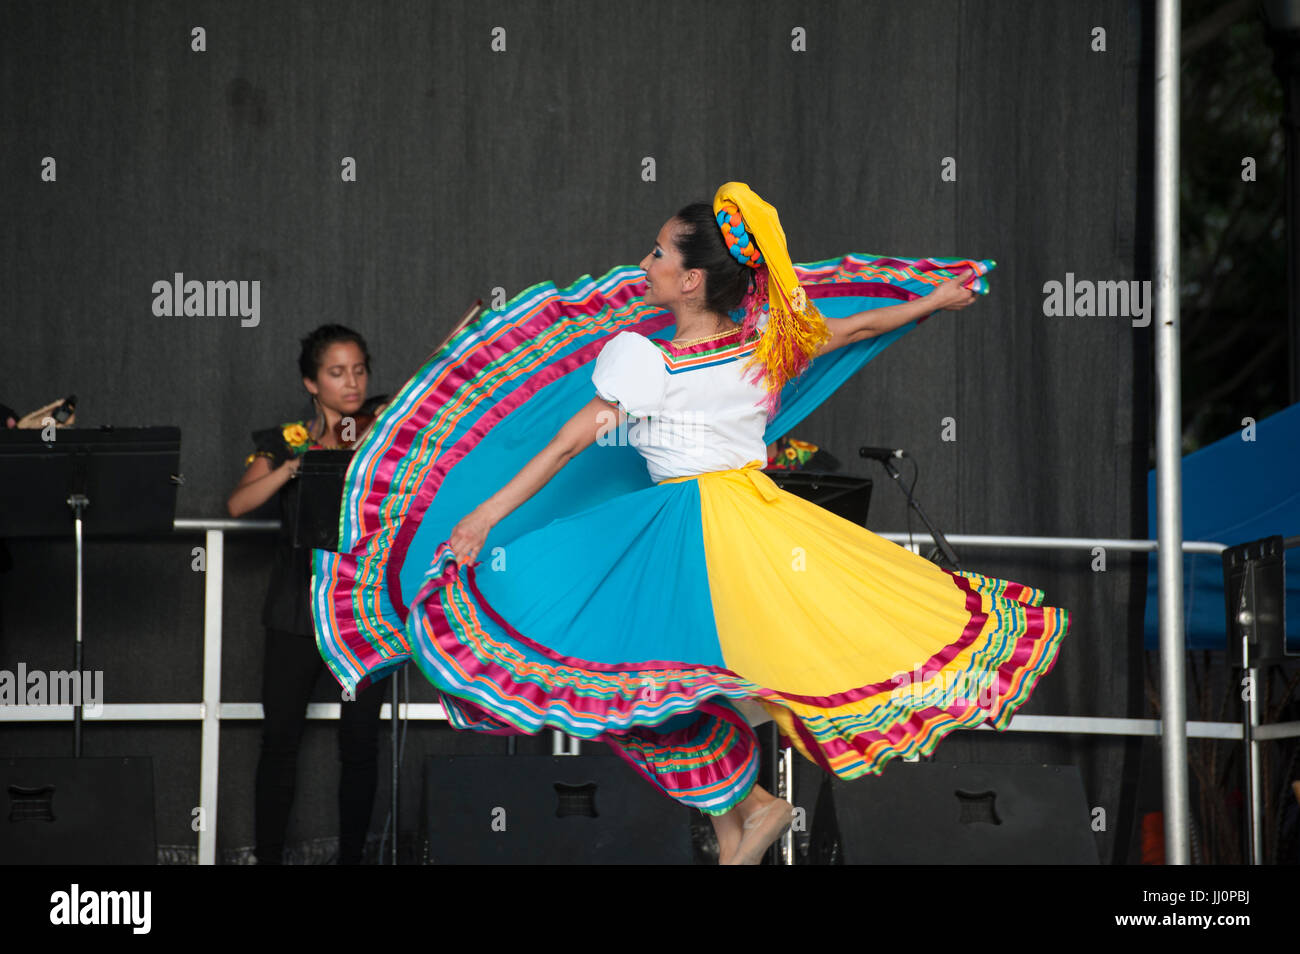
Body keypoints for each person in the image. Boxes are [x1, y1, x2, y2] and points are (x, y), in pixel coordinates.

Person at [315, 183, 1071, 865]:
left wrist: (483, 515)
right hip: (742, 525)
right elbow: (859, 325)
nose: (643, 263)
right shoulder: (763, 342)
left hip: (699, 534)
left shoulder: (653, 361)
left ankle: (749, 815)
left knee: (629, 691)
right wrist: (933, 302)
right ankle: (746, 815)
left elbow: (568, 443)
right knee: (644, 693)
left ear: (691, 278)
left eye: (657, 252)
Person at [227, 324, 390, 864]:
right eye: (337, 373)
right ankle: (269, 859)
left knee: (360, 746)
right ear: (311, 384)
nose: (352, 383)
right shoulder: (288, 441)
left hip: (361, 616)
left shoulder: (380, 434)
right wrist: (294, 469)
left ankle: (351, 859)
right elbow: (238, 505)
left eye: (359, 370)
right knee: (279, 744)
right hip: (295, 610)